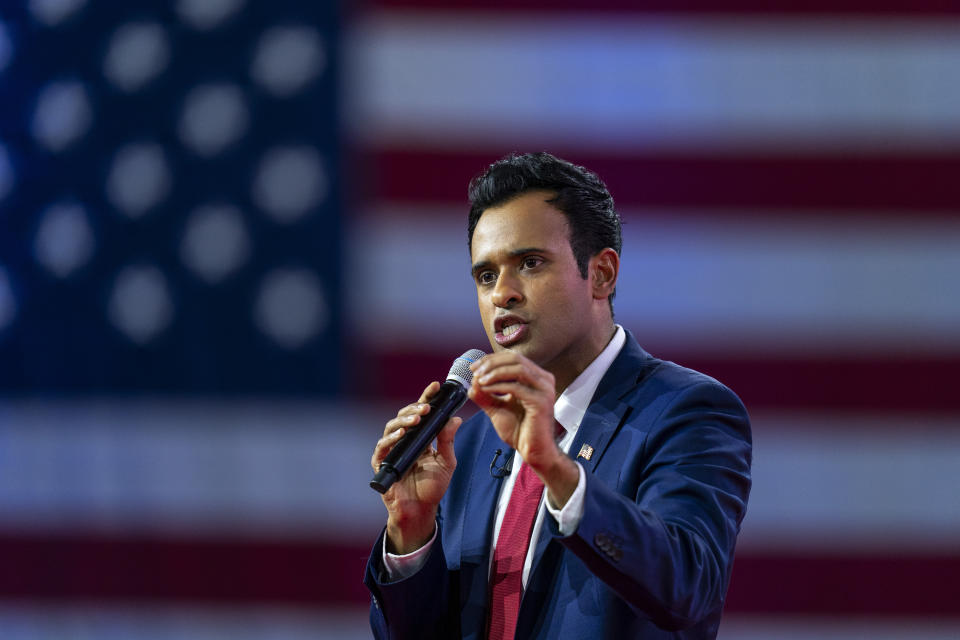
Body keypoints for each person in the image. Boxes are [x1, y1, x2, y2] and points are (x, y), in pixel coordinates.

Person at [365, 152, 752, 639]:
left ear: (602, 274)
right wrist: (412, 531)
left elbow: (689, 591)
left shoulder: (685, 413)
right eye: (485, 276)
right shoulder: (466, 443)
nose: (502, 293)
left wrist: (555, 469)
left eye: (529, 263)